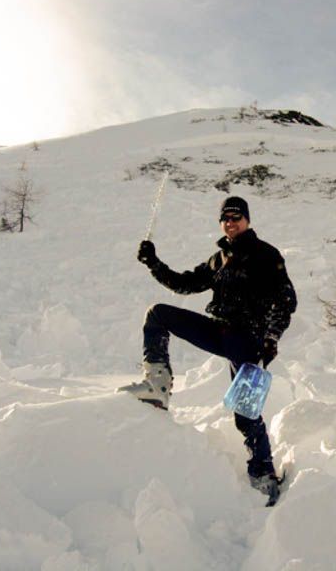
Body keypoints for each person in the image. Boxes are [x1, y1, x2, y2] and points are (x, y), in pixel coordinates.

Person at [119, 196, 297, 498]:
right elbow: (184, 284)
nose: (231, 222)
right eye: (225, 218)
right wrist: (153, 262)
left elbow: (286, 301)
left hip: (248, 339)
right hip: (220, 331)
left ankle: (264, 473)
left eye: (236, 217)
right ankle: (157, 385)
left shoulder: (266, 254)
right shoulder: (219, 259)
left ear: (248, 220)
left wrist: (271, 337)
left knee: (245, 413)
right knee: (158, 315)